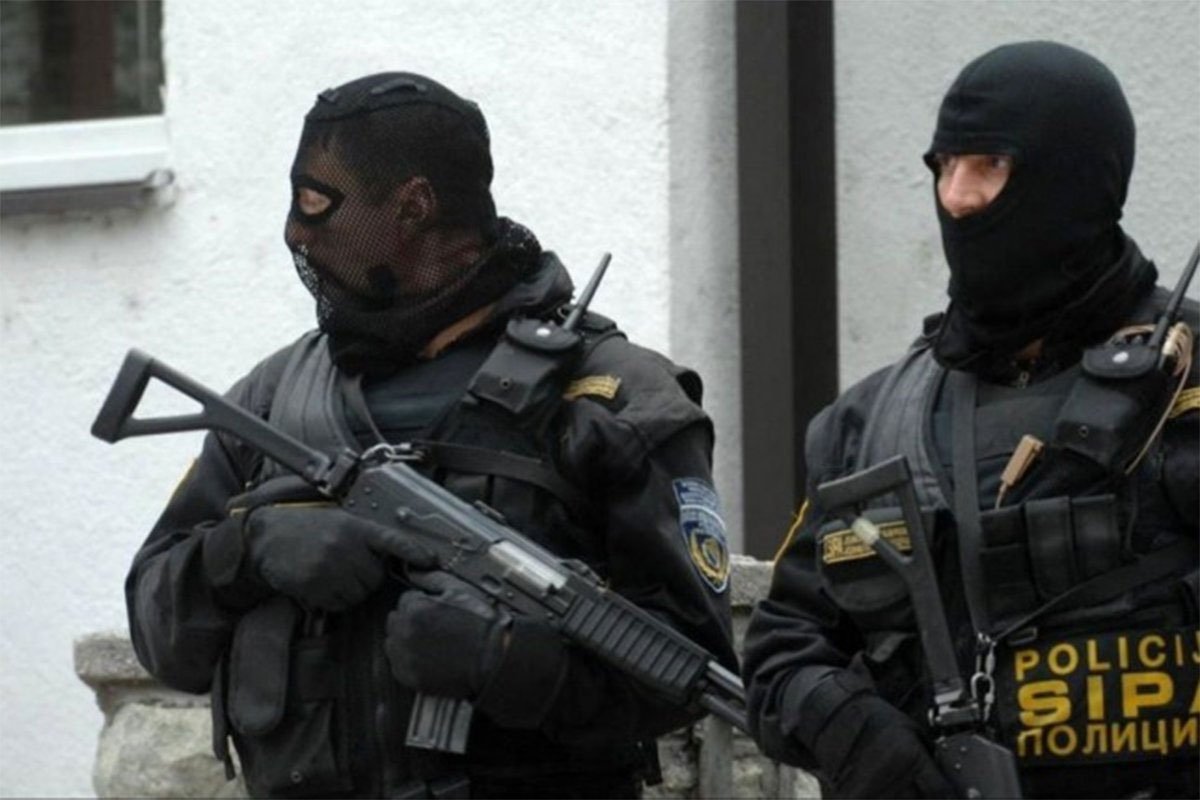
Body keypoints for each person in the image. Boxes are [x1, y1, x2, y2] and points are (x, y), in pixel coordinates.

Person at [125, 72, 737, 800]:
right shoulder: (273, 398)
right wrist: (245, 551)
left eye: (317, 203)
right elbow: (158, 633)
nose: (295, 232)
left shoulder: (613, 398)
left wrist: (511, 662)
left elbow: (689, 671)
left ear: (413, 207)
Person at [742, 41, 1198, 799]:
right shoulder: (870, 423)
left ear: (1076, 178)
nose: (957, 198)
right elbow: (781, 653)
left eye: (990, 165)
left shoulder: (1184, 386)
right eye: (944, 166)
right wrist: (853, 730)